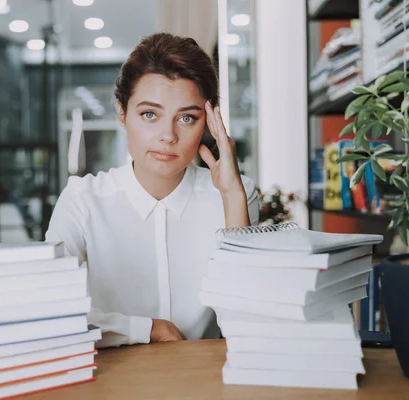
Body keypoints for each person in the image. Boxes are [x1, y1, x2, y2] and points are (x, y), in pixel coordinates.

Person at [45, 32, 258, 348]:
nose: (168, 135)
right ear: (122, 113)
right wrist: (144, 329)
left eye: (186, 117)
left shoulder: (236, 196)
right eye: (149, 114)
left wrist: (233, 197)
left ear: (210, 123)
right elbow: (49, 311)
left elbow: (247, 321)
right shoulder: (82, 200)